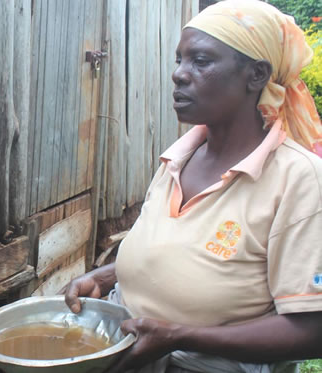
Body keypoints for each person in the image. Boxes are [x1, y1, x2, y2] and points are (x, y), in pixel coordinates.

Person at [62, 1, 322, 372]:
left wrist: (182, 336)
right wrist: (103, 277)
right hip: (125, 351)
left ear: (256, 75)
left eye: (201, 61)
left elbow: (312, 330)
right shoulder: (178, 158)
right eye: (179, 60)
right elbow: (171, 251)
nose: (179, 75)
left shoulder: (297, 179)